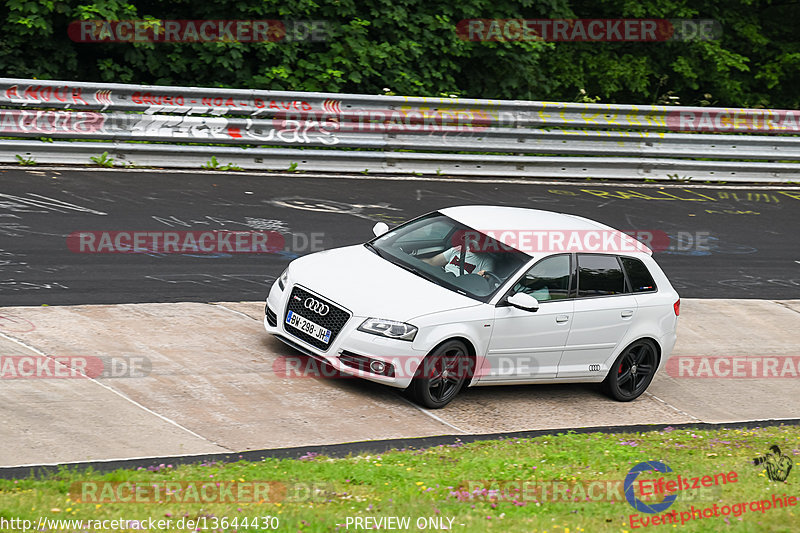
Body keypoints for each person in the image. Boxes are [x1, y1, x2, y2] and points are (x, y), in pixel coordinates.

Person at [423, 243, 494, 278]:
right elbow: (432, 262)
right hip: (441, 278)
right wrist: (414, 261)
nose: (474, 241)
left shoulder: (487, 260)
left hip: (458, 288)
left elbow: (486, 278)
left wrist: (483, 276)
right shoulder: (458, 249)